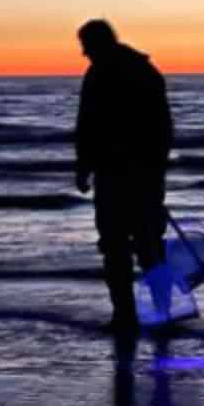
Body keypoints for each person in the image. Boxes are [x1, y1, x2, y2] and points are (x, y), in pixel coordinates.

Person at [74, 19, 174, 335]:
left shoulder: (105, 74)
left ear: (98, 43)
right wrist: (156, 168)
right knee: (144, 246)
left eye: (86, 46)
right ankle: (157, 313)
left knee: (121, 247)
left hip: (121, 175)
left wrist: (84, 166)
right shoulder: (144, 71)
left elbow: (87, 125)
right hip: (137, 174)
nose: (84, 53)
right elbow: (164, 128)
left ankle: (128, 316)